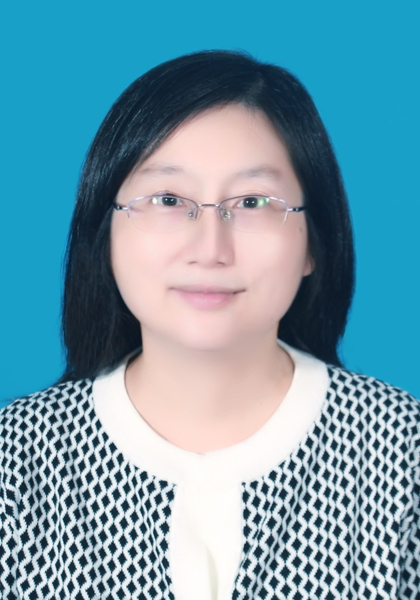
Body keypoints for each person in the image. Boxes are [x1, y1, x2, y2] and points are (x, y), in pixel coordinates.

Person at [0, 50, 419, 600]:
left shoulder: (401, 450)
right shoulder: (16, 458)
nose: (210, 248)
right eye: (169, 199)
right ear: (105, 233)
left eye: (252, 201)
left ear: (315, 242)